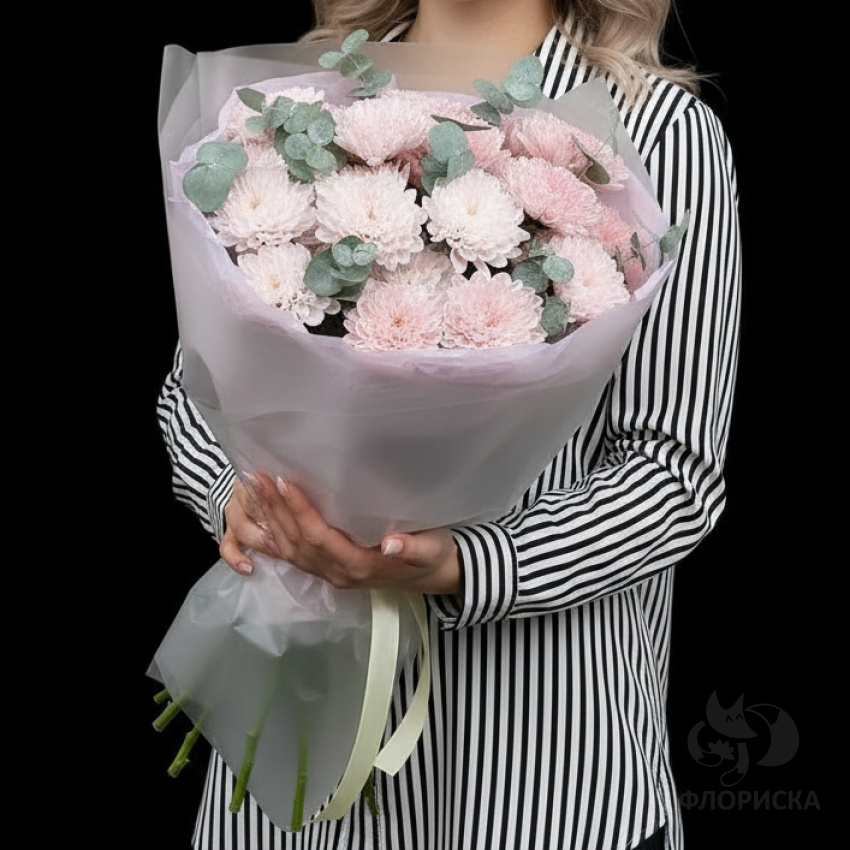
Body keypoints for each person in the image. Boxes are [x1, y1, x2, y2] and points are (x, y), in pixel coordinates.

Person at [157, 1, 742, 847]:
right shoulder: (304, 99)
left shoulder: (662, 133)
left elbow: (673, 473)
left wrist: (470, 563)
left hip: (546, 766)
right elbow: (194, 389)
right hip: (293, 767)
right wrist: (244, 500)